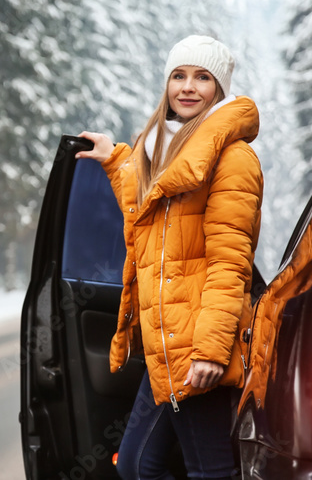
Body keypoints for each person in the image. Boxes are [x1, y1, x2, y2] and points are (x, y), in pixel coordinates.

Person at [76, 34, 262, 480]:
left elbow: (229, 262)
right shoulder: (162, 151)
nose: (188, 87)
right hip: (168, 346)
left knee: (209, 472)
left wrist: (211, 351)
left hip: (199, 347)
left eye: (202, 77)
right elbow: (149, 212)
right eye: (178, 75)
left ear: (219, 88)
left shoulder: (232, 159)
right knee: (139, 465)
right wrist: (117, 158)